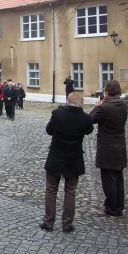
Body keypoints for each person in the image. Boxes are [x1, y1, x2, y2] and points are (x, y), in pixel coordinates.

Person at [39, 92, 93, 233]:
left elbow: (49, 130)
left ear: (67, 101)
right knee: (70, 191)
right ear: (81, 103)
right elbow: (89, 130)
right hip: (74, 158)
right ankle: (67, 224)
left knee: (51, 190)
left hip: (56, 156)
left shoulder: (57, 114)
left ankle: (48, 222)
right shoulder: (85, 118)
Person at [89, 80, 128, 217]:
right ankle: (119, 206)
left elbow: (90, 119)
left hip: (107, 147)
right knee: (118, 177)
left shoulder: (104, 107)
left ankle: (111, 208)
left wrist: (97, 105)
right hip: (120, 145)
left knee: (108, 179)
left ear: (107, 92)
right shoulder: (123, 105)